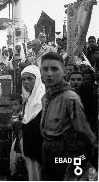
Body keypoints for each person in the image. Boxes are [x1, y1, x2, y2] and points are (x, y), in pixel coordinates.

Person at [40, 52, 97, 181]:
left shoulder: (71, 98)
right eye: (45, 69)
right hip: (48, 150)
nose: (49, 74)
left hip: (66, 152)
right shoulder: (46, 97)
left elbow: (83, 129)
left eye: (54, 69)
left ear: (63, 72)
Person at [21, 65, 45, 180]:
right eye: (23, 79)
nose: (26, 82)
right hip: (30, 148)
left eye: (29, 79)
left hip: (41, 150)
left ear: (38, 79)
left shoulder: (43, 98)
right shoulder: (29, 100)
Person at [8, 99, 27, 180]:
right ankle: (14, 171)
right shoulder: (13, 114)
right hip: (15, 136)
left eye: (16, 105)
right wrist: (10, 125)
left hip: (20, 137)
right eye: (12, 105)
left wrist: (16, 123)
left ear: (21, 105)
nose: (14, 107)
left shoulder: (22, 114)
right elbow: (10, 124)